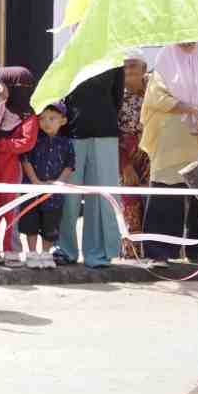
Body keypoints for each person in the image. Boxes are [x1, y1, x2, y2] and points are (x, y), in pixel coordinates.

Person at [140, 44, 198, 262]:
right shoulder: (165, 57)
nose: (188, 42)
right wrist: (190, 109)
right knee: (166, 193)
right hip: (171, 136)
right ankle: (159, 253)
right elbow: (156, 97)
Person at [59, 64, 126, 267]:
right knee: (69, 197)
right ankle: (65, 250)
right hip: (72, 133)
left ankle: (96, 253)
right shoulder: (69, 55)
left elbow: (117, 98)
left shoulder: (114, 59)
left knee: (100, 196)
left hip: (105, 132)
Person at [0, 68, 37, 264]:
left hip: (11, 168)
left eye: (3, 84)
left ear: (16, 88)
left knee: (11, 210)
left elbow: (26, 142)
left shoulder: (28, 115)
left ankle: (11, 250)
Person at [20, 102, 75, 268]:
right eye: (42, 118)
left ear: (63, 121)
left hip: (53, 193)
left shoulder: (66, 143)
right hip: (32, 189)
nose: (47, 122)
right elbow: (25, 159)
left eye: (52, 118)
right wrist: (35, 181)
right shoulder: (34, 140)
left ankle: (45, 253)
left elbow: (70, 165)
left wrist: (59, 182)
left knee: (50, 224)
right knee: (31, 222)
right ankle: (31, 253)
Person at [119, 54, 150, 258]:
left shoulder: (154, 93)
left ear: (144, 68)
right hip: (126, 155)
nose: (129, 71)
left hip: (152, 153)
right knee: (129, 202)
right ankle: (132, 253)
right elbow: (116, 135)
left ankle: (156, 252)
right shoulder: (117, 97)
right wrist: (125, 165)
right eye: (126, 67)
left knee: (154, 201)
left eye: (134, 66)